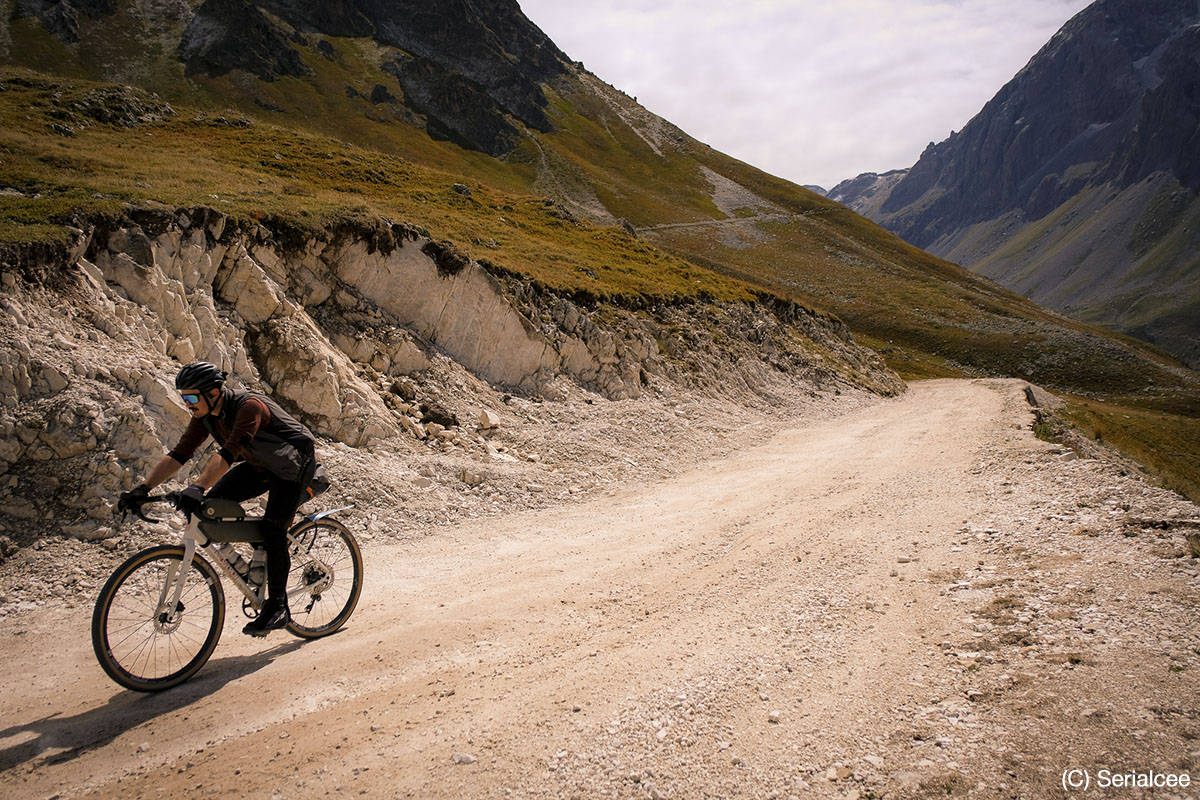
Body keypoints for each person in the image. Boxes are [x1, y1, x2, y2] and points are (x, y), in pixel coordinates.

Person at [118, 362, 318, 637]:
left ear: (212, 393)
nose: (186, 403)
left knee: (274, 529)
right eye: (182, 397)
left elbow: (229, 452)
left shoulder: (249, 407)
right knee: (213, 504)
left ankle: (279, 606)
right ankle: (261, 555)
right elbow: (180, 453)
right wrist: (143, 488)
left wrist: (197, 486)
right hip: (261, 466)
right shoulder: (206, 416)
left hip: (294, 467)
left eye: (190, 397)